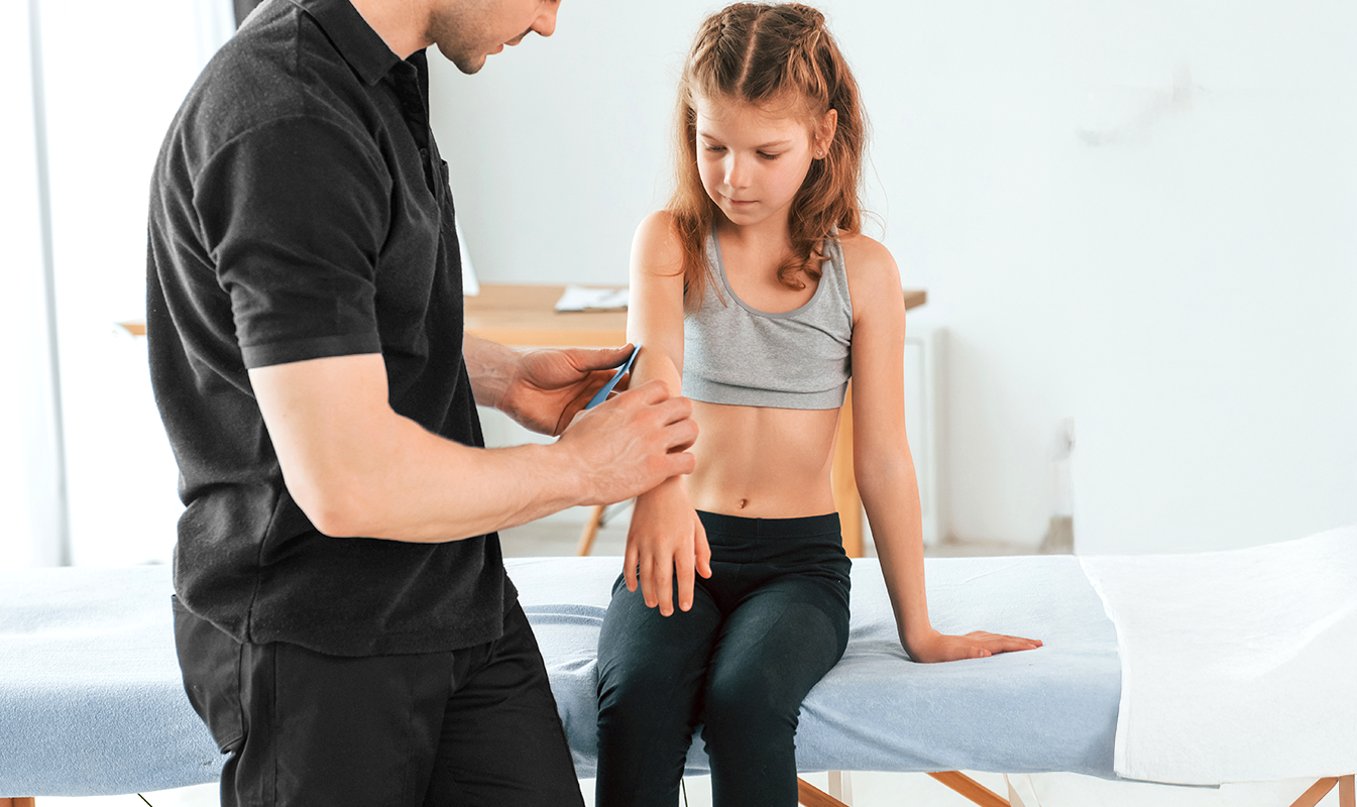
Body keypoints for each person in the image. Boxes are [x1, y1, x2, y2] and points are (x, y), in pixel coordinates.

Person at [145, 0, 696, 803]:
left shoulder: (386, 66)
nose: (548, 23)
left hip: (456, 600)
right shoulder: (288, 120)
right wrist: (582, 470)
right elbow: (348, 480)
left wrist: (502, 374)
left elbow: (344, 331)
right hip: (320, 639)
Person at [594, 5, 1042, 806]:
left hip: (797, 569)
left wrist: (919, 629)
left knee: (745, 700)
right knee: (636, 699)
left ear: (822, 136)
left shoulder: (863, 272)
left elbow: (883, 459)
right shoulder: (668, 241)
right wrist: (659, 494)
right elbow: (651, 378)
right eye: (713, 146)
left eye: (766, 152)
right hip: (678, 541)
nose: (734, 176)